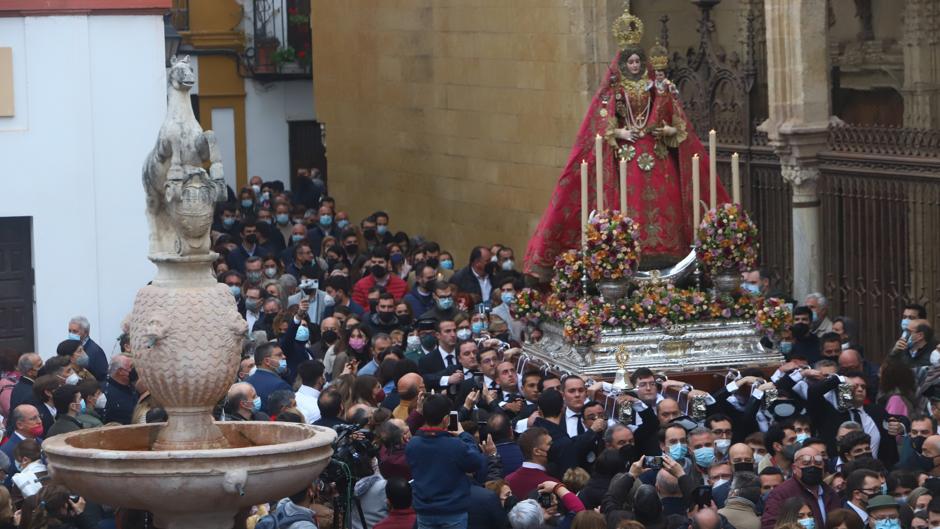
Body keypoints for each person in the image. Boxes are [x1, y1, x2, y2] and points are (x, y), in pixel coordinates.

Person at [523, 21, 726, 275]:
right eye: (630, 62)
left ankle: (667, 251)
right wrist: (619, 132)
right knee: (631, 201)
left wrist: (664, 131)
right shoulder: (614, 91)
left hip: (657, 154)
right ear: (623, 65)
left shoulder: (658, 90)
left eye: (637, 62)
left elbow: (677, 125)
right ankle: (631, 249)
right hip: (628, 157)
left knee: (664, 199)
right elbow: (600, 126)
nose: (635, 66)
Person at [406, 394, 486, 529]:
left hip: (425, 511)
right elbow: (476, 462)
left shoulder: (412, 444)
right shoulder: (455, 445)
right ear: (446, 419)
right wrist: (463, 435)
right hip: (452, 512)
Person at [761, 446, 841, 529]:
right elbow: (769, 525)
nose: (813, 466)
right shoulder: (781, 493)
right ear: (794, 468)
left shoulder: (830, 493)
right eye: (806, 463)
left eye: (818, 463)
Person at [66, 315, 108, 381]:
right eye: (69, 331)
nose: (71, 334)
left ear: (86, 332)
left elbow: (102, 377)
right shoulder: (70, 348)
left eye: (75, 331)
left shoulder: (95, 351)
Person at [103, 355, 138, 425]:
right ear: (121, 371)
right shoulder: (105, 393)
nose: (134, 370)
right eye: (131, 367)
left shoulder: (133, 386)